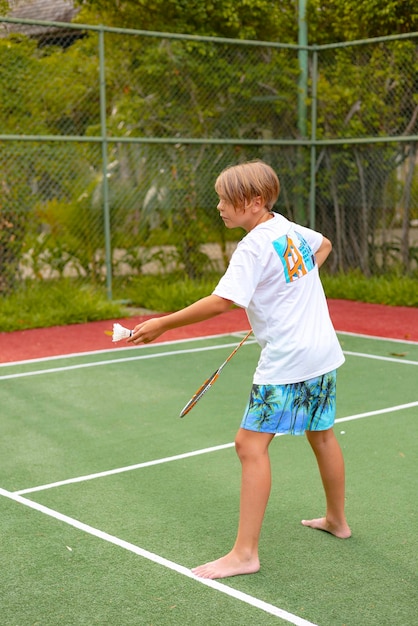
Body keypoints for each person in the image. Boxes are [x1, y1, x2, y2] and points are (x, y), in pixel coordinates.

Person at [128, 160, 351, 579]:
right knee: (321, 433)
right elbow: (324, 245)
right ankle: (337, 521)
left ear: (254, 202)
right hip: (322, 352)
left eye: (226, 201)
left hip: (288, 359)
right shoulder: (286, 228)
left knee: (249, 446)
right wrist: (288, 291)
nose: (219, 207)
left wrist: (162, 323)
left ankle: (245, 554)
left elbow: (222, 302)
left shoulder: (251, 247)